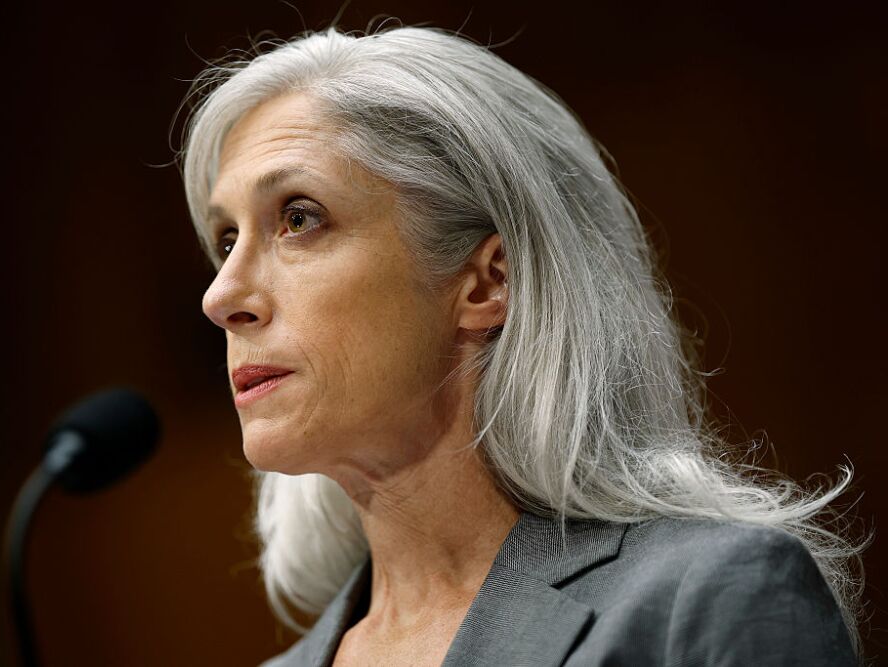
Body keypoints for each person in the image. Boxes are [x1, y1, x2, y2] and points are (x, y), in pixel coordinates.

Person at [180, 22, 869, 666]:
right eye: (227, 240)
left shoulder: (707, 603)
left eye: (299, 218)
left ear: (489, 281)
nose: (220, 296)